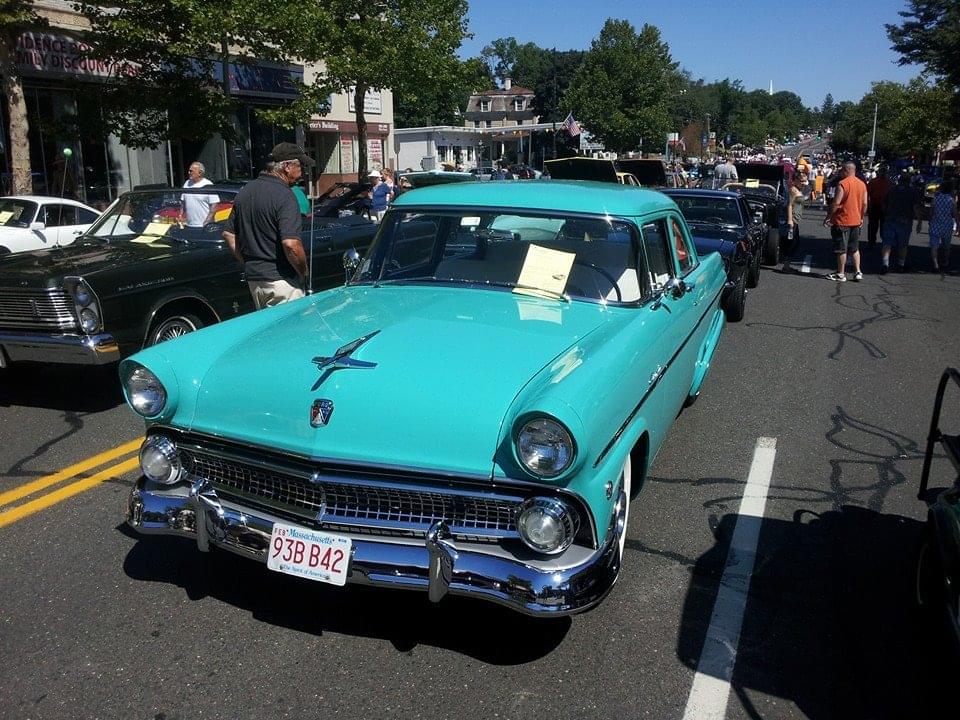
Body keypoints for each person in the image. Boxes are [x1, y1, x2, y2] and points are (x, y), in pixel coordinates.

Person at [223, 142, 314, 309]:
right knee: (293, 332)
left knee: (269, 332)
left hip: (255, 280)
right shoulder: (285, 195)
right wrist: (303, 272)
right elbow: (291, 244)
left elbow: (229, 234)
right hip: (282, 280)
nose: (302, 172)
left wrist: (247, 262)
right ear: (287, 166)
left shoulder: (245, 191)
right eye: (300, 166)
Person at [824, 161, 868, 282]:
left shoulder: (842, 184)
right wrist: (861, 217)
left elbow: (837, 202)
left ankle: (841, 273)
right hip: (856, 220)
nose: (840, 172)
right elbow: (864, 203)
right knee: (854, 248)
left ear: (846, 170)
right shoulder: (862, 184)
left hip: (842, 219)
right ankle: (858, 271)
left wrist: (829, 216)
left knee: (841, 248)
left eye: (842, 170)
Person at [880, 172, 921, 273]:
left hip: (890, 219)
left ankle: (885, 264)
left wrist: (886, 213)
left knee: (887, 243)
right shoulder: (912, 192)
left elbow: (884, 203)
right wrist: (919, 221)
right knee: (903, 244)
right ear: (909, 181)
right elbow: (916, 208)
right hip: (905, 221)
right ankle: (900, 264)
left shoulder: (892, 190)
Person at [926, 179, 958, 274]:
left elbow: (931, 212)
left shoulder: (935, 199)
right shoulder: (952, 201)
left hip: (935, 224)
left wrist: (930, 220)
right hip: (947, 225)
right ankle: (945, 262)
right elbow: (954, 214)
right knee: (946, 246)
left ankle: (935, 265)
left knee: (934, 246)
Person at [180, 161, 218, 227]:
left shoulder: (208, 185)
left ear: (200, 173)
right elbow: (183, 203)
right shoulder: (186, 184)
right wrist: (181, 216)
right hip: (189, 225)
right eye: (189, 171)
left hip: (204, 226)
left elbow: (214, 206)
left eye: (191, 171)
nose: (189, 173)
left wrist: (207, 221)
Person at [782, 172, 806, 271]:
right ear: (796, 181)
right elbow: (789, 205)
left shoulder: (799, 189)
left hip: (796, 219)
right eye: (802, 181)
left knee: (795, 243)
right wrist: (790, 220)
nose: (804, 183)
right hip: (793, 220)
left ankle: (787, 265)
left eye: (805, 181)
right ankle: (786, 266)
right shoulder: (793, 190)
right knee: (792, 243)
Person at [866, 166, 891, 246]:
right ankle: (873, 242)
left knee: (880, 226)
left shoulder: (888, 183)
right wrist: (868, 204)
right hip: (876, 205)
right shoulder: (874, 182)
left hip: (883, 207)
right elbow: (868, 194)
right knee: (874, 226)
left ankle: (881, 242)